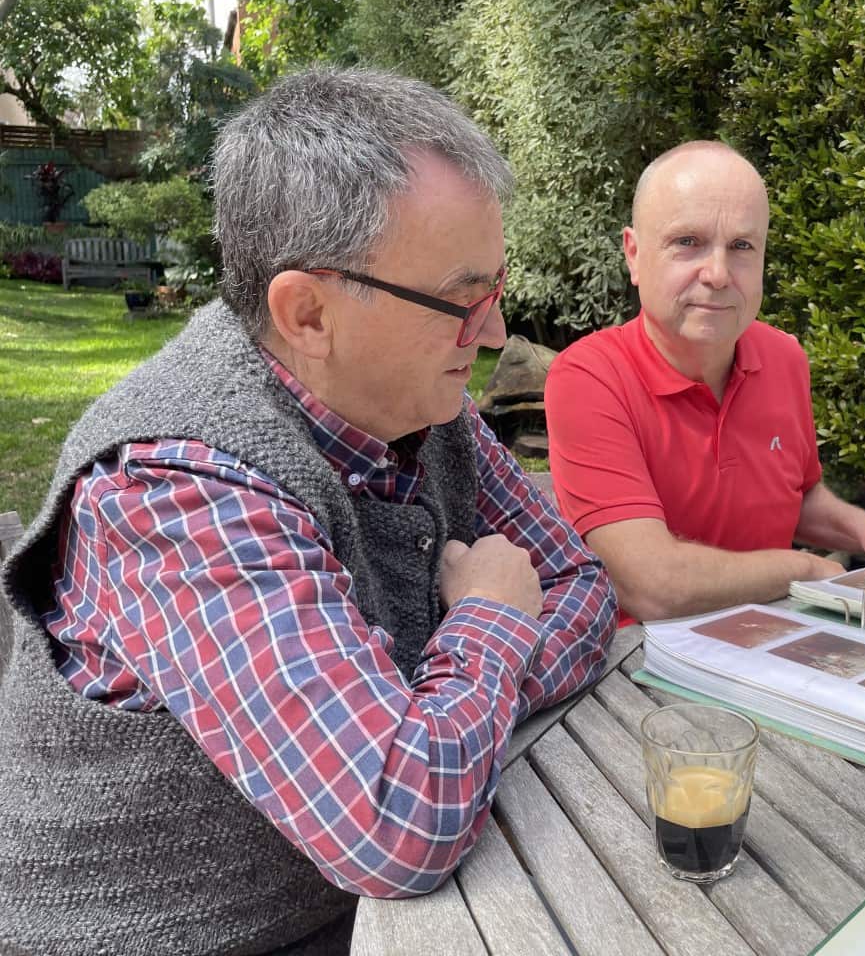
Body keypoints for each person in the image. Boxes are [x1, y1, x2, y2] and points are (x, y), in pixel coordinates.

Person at [0, 67, 615, 955]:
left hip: (368, 917)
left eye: (496, 290)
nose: (491, 333)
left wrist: (449, 709)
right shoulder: (174, 488)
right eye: (461, 301)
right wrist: (489, 621)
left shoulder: (422, 402)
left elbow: (580, 584)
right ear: (308, 313)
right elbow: (401, 825)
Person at [544, 140, 865, 623]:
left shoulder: (783, 358)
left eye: (741, 246)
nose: (718, 274)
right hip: (641, 657)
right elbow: (654, 586)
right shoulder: (589, 378)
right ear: (634, 254)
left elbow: (794, 496)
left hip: (776, 636)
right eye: (688, 242)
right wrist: (807, 570)